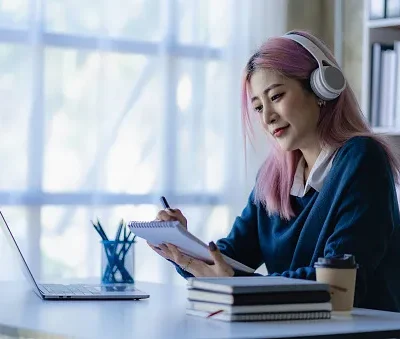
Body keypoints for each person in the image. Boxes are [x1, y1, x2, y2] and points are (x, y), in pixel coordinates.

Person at [147, 30, 400, 312]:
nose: (267, 117)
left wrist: (237, 283)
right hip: (293, 329)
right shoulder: (273, 177)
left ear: (320, 88)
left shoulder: (362, 160)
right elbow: (231, 257)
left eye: (276, 96)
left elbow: (341, 285)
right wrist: (182, 246)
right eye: (258, 107)